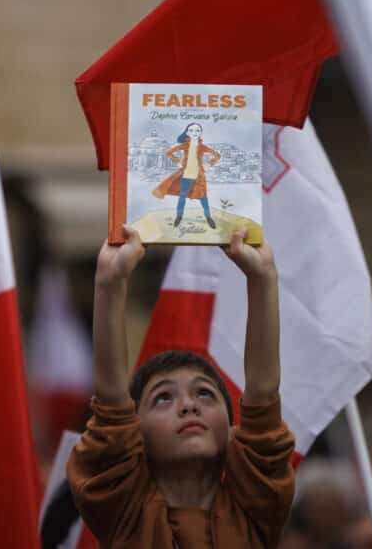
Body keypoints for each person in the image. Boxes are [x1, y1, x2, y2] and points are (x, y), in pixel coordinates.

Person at [67, 227, 295, 547]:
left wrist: (263, 278)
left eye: (204, 393)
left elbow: (263, 394)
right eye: (163, 398)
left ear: (233, 433)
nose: (189, 406)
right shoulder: (122, 508)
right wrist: (109, 282)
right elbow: (111, 403)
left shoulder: (258, 504)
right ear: (135, 435)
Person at [152, 123, 221, 229]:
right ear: (187, 133)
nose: (194, 133)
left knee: (204, 199)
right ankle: (179, 216)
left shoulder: (202, 147)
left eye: (197, 130)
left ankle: (208, 217)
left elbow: (217, 155)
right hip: (185, 176)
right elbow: (169, 152)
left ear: (201, 133)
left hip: (199, 177)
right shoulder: (185, 145)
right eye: (191, 130)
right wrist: (177, 162)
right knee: (182, 198)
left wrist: (209, 164)